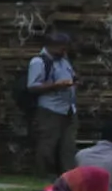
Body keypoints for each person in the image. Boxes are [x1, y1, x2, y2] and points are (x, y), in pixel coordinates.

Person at [25, 28, 78, 175]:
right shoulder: (38, 62)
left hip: (68, 108)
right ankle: (44, 174)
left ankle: (68, 174)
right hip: (50, 109)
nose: (64, 49)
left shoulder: (64, 60)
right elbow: (32, 86)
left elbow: (71, 76)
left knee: (68, 145)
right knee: (48, 144)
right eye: (62, 47)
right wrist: (56, 86)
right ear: (52, 46)